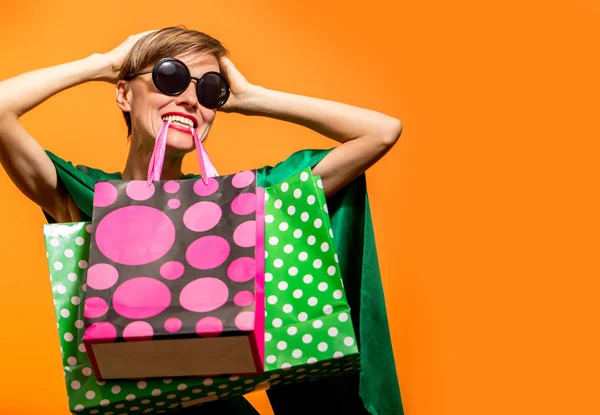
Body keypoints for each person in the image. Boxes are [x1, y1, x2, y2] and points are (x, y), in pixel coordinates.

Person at [0, 26, 404, 414]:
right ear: (123, 94)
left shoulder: (247, 202)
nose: (192, 100)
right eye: (170, 77)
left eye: (209, 89)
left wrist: (251, 97)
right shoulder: (87, 197)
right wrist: (103, 64)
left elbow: (381, 132)